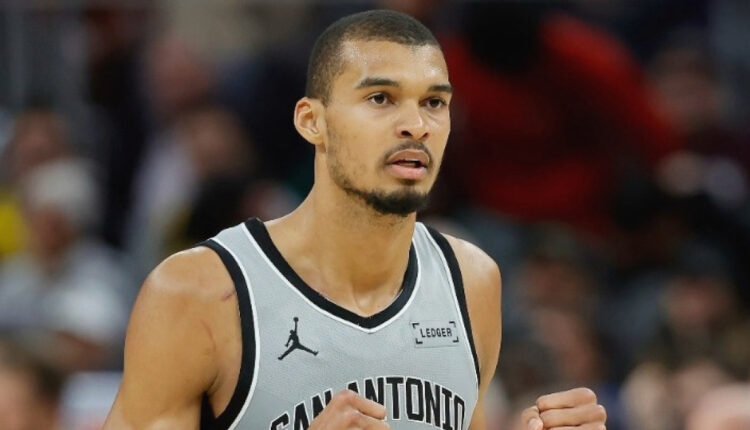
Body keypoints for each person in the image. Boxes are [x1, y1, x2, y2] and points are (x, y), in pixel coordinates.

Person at [104, 10, 608, 430]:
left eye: (434, 102)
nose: (416, 124)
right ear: (312, 121)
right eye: (380, 98)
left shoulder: (472, 279)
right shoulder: (199, 291)